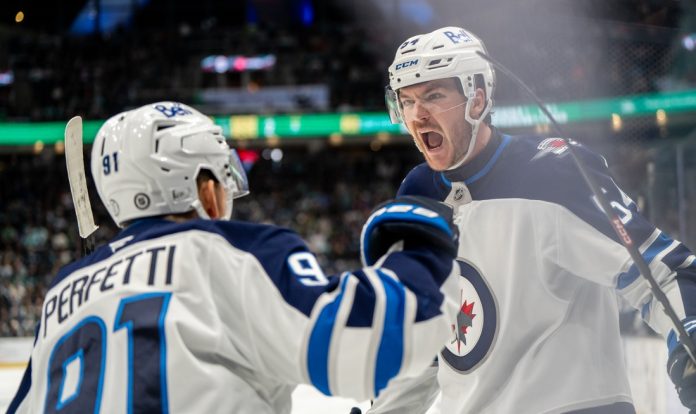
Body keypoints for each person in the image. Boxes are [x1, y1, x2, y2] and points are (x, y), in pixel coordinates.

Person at [8, 102, 462, 413]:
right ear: (204, 188)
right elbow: (371, 343)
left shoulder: (63, 291)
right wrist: (420, 245)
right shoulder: (231, 251)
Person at [370, 26, 696, 413]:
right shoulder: (418, 193)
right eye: (407, 101)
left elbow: (663, 272)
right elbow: (420, 335)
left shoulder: (555, 172)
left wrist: (690, 342)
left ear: (476, 99)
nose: (417, 115)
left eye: (433, 96)